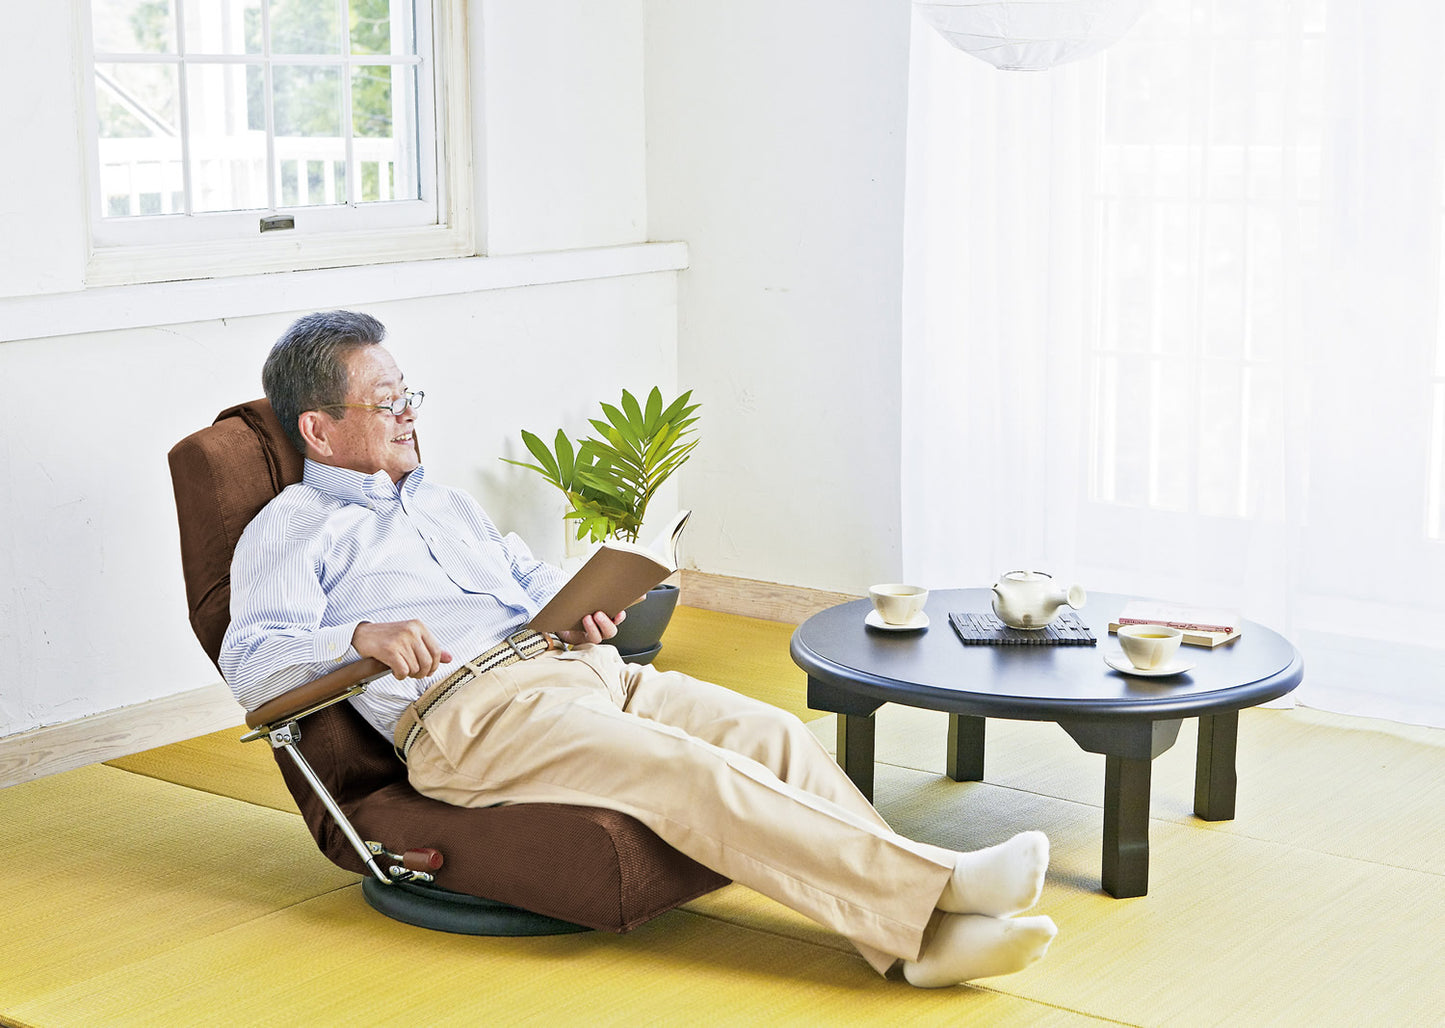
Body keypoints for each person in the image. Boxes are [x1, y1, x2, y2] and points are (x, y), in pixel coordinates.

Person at [221, 310, 1057, 987]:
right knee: (692, 772)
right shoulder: (293, 528)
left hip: (575, 670)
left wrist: (579, 607)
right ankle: (936, 891)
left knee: (773, 735)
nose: (410, 414)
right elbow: (252, 660)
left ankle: (912, 941)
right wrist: (359, 636)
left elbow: (524, 578)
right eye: (386, 401)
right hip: (470, 716)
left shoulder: (441, 502)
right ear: (319, 431)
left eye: (411, 395)